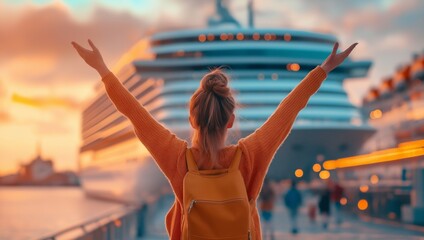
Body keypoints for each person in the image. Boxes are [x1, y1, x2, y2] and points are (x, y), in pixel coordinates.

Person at [71, 39, 357, 240]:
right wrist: (324, 69)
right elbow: (288, 110)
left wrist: (103, 70)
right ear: (231, 121)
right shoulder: (249, 155)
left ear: (192, 119)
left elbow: (134, 112)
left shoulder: (177, 157)